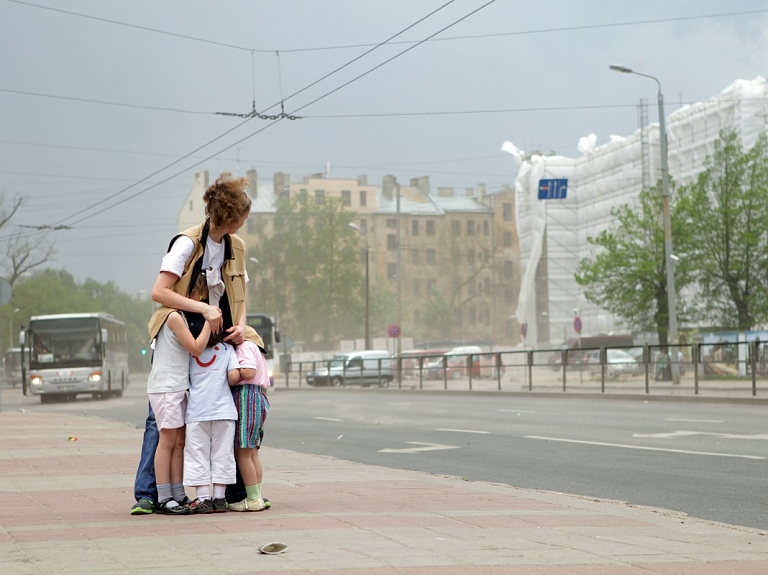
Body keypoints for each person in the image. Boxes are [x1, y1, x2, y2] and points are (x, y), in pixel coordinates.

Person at [131, 172, 260, 515]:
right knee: (163, 424)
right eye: (244, 215)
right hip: (179, 338)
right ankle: (149, 493)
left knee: (223, 414)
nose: (246, 221)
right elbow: (159, 292)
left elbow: (241, 297)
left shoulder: (237, 247)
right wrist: (201, 307)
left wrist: (241, 328)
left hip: (217, 340)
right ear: (231, 217)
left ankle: (228, 492)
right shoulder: (187, 243)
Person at [147, 297, 212, 515]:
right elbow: (196, 348)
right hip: (166, 387)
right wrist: (211, 323)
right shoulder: (172, 316)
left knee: (179, 442)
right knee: (167, 442)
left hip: (177, 386)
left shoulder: (179, 315)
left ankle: (178, 493)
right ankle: (165, 497)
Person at [184, 328, 241, 514]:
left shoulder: (189, 351)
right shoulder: (227, 349)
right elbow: (233, 378)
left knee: (197, 453)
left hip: (197, 412)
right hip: (224, 411)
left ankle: (202, 499)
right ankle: (219, 497)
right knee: (223, 453)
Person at [228, 326, 271, 512]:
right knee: (253, 451)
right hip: (258, 396)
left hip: (246, 396)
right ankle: (257, 494)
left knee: (242, 451)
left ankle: (253, 499)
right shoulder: (257, 350)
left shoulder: (245, 347)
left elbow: (248, 372)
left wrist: (230, 371)